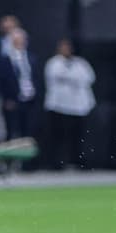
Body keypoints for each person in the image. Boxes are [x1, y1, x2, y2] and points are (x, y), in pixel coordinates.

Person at [43, 38, 96, 169]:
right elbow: (56, 76)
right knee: (59, 136)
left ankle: (77, 161)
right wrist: (72, 78)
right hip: (59, 106)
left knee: (78, 136)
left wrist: (71, 78)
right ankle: (57, 163)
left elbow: (89, 78)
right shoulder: (53, 63)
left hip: (78, 106)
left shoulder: (80, 63)